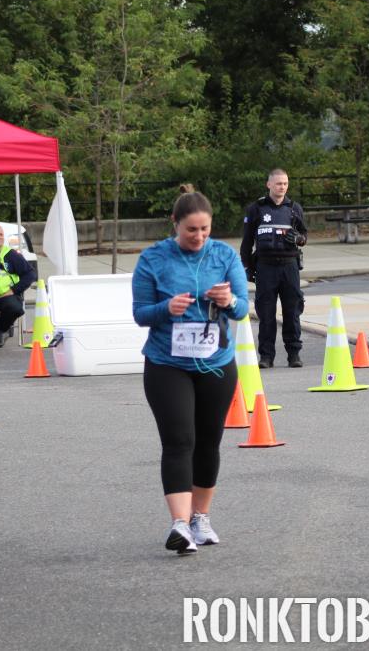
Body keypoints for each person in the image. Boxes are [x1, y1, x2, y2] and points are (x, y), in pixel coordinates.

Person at [132, 186, 249, 555]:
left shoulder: (224, 255)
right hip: (167, 364)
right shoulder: (153, 259)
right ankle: (180, 525)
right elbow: (140, 314)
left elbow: (242, 308)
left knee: (208, 441)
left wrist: (229, 300)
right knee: (179, 440)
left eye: (205, 229)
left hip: (216, 364)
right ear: (175, 224)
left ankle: (201, 518)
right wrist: (166, 308)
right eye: (191, 230)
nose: (198, 237)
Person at [240, 168, 308, 368]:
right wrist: (247, 267)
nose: (282, 187)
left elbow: (304, 236)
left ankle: (294, 354)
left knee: (292, 312)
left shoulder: (294, 208)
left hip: (289, 266)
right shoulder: (256, 209)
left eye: (285, 183)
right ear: (269, 184)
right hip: (265, 267)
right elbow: (246, 243)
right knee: (266, 314)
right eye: (278, 183)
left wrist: (299, 238)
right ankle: (266, 357)